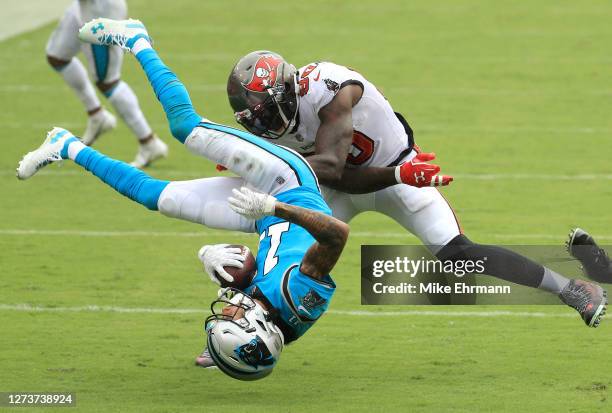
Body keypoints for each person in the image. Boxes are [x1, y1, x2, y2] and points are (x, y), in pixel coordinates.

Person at [17, 19, 349, 380]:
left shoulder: (270, 317)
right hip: (289, 185)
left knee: (156, 198)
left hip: (262, 217)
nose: (229, 310)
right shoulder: (296, 295)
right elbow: (336, 234)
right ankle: (136, 39)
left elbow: (251, 271)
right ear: (257, 328)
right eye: (234, 318)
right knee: (185, 127)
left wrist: (217, 263)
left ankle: (65, 145)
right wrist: (275, 206)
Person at [226, 51, 608, 327]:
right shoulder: (281, 122)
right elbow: (334, 177)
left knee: (459, 255)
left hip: (404, 172)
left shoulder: (329, 88)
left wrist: (265, 163)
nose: (264, 126)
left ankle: (573, 288)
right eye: (255, 122)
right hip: (347, 186)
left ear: (288, 91)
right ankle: (242, 332)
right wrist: (261, 158)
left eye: (266, 114)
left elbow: (332, 167)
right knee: (283, 253)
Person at [46, 0, 167, 167]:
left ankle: (149, 142)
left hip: (101, 10)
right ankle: (97, 115)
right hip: (82, 7)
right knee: (57, 57)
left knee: (108, 81)